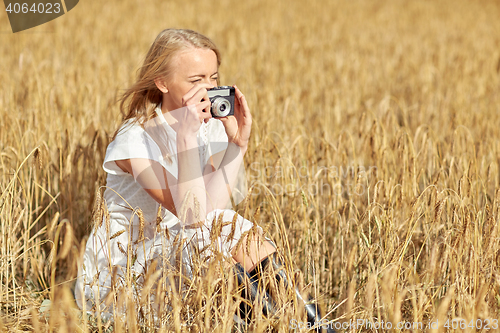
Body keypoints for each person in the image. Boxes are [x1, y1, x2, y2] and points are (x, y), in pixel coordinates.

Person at [74, 28, 333, 332]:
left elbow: (212, 210)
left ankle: (313, 328)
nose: (208, 89)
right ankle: (280, 326)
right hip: (125, 274)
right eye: (196, 81)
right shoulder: (135, 139)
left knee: (231, 227)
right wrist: (185, 137)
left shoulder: (208, 127)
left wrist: (238, 145)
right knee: (208, 242)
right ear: (162, 83)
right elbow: (192, 215)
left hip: (185, 252)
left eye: (213, 77)